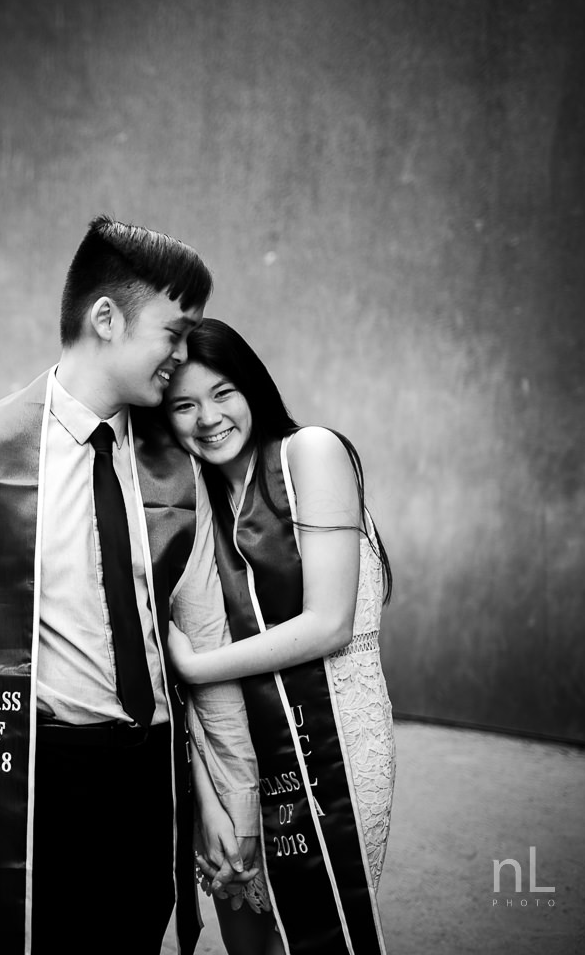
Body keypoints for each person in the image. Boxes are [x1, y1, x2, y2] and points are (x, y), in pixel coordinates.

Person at [0, 217, 260, 955]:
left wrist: (233, 792)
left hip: (150, 780)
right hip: (38, 778)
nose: (183, 355)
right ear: (106, 318)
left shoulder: (174, 467)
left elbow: (208, 640)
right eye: (173, 332)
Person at [161, 318, 395, 955]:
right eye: (184, 404)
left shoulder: (308, 454)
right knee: (246, 937)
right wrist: (207, 794)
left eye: (223, 392)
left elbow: (329, 622)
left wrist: (197, 666)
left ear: (254, 388)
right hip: (239, 749)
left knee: (321, 935)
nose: (207, 417)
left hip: (334, 743)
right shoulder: (191, 501)